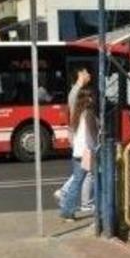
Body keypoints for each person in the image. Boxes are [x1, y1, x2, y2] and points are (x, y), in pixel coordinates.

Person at [54, 65, 93, 213]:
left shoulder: (75, 91)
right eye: (87, 72)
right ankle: (70, 197)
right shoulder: (78, 92)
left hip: (78, 137)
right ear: (80, 74)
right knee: (83, 173)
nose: (89, 75)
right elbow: (79, 117)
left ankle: (81, 202)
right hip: (82, 139)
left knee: (83, 172)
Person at [59, 88, 97, 221]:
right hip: (87, 151)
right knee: (97, 178)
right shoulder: (88, 114)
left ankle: (67, 210)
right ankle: (97, 208)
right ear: (88, 99)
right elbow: (93, 132)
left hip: (77, 151)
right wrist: (98, 144)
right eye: (91, 97)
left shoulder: (76, 113)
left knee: (77, 181)